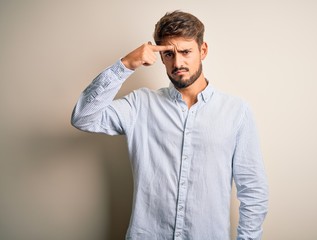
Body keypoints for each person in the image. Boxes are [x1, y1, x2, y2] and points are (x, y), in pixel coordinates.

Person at [71, 10, 268, 240]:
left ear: (202, 51)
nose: (178, 63)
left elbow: (253, 191)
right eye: (169, 54)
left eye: (186, 52)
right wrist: (125, 65)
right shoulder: (140, 105)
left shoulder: (236, 112)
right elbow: (83, 117)